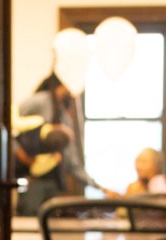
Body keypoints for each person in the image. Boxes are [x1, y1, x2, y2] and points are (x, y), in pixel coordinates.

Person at [16, 74, 116, 215]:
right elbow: (9, 122)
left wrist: (99, 187)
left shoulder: (64, 117)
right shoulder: (40, 101)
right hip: (33, 179)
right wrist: (19, 152)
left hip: (53, 182)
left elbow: (73, 162)